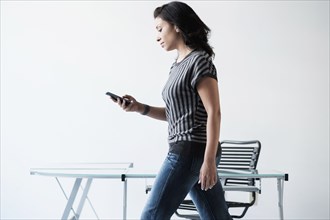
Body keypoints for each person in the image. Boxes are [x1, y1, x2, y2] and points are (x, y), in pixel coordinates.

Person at [110, 1, 232, 219]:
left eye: (160, 29)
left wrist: (209, 160)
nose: (157, 36)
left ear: (176, 25)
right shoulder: (177, 65)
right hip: (191, 151)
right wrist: (139, 108)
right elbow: (176, 113)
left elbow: (214, 112)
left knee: (151, 216)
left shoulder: (199, 61)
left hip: (191, 150)